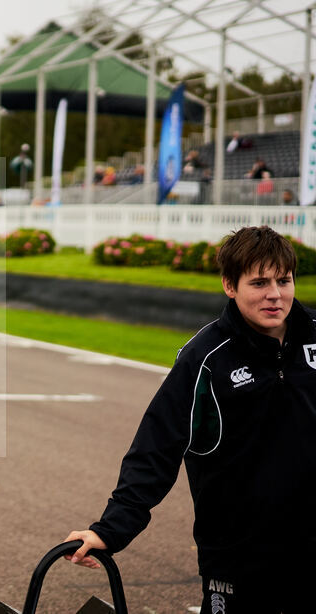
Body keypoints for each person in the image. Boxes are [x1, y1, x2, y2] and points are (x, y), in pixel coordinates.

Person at [64, 226, 316, 613]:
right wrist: (110, 529)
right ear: (230, 285)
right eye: (259, 282)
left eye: (284, 280)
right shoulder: (205, 359)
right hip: (238, 562)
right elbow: (156, 448)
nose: (275, 294)